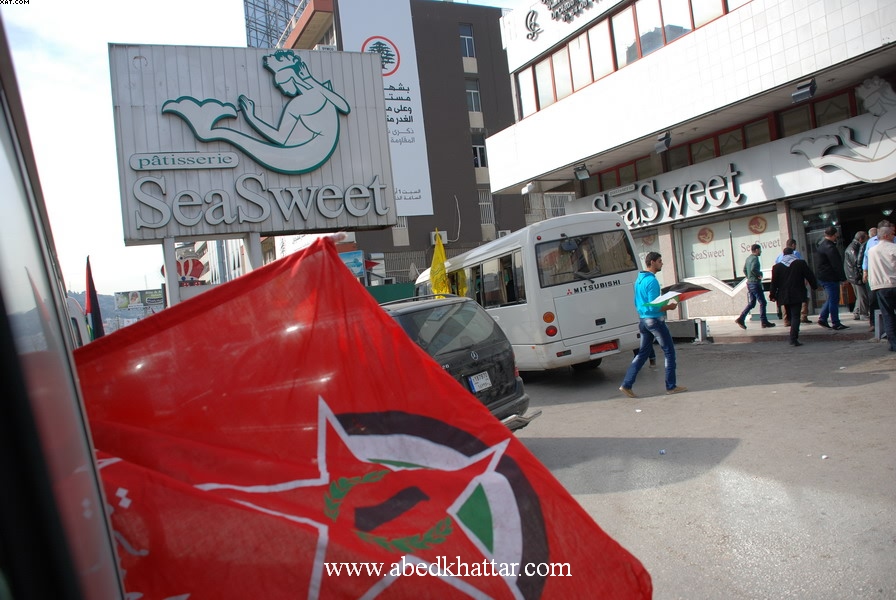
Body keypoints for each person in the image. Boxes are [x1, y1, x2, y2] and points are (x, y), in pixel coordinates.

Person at [620, 252, 686, 398]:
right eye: (660, 261)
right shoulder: (652, 281)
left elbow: (639, 302)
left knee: (642, 354)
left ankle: (626, 384)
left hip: (643, 321)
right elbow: (654, 306)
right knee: (669, 352)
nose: (662, 263)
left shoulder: (639, 281)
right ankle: (671, 386)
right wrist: (670, 306)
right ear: (652, 262)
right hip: (655, 321)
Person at [770, 247, 819, 347]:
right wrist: (814, 286)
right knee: (796, 316)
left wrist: (772, 295)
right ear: (793, 253)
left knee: (790, 316)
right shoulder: (800, 263)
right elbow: (809, 275)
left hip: (784, 295)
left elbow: (774, 282)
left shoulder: (777, 267)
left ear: (783, 255)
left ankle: (793, 334)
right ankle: (793, 338)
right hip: (797, 293)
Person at [866, 225, 896, 352]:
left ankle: (893, 343)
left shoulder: (872, 251)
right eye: (892, 234)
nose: (894, 236)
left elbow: (870, 268)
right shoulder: (893, 248)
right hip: (893, 283)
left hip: (881, 286)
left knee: (887, 315)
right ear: (886, 235)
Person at [814, 226, 849, 330]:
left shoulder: (822, 246)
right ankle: (835, 322)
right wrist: (843, 278)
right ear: (834, 235)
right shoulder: (830, 247)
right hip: (830, 277)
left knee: (831, 298)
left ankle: (823, 318)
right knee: (834, 299)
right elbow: (836, 264)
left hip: (823, 276)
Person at [734, 244, 775, 329]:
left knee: (752, 303)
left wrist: (749, 277)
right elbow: (753, 269)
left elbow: (744, 269)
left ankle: (741, 318)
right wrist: (759, 274)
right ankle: (764, 321)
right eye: (759, 250)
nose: (760, 251)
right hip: (755, 283)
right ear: (756, 250)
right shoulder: (755, 258)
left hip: (750, 283)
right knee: (763, 302)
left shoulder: (748, 258)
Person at [774, 239, 810, 325]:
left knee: (785, 302)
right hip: (795, 281)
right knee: (802, 298)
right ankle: (803, 316)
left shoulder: (779, 256)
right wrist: (805, 279)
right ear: (793, 245)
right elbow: (802, 266)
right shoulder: (795, 253)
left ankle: (786, 319)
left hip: (783, 283)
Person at [843, 230, 870, 320]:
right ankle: (863, 313)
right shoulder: (853, 248)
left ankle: (857, 312)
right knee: (862, 295)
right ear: (861, 239)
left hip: (853, 275)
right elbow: (857, 261)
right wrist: (861, 273)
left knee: (860, 295)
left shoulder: (854, 247)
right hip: (855, 276)